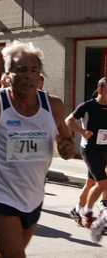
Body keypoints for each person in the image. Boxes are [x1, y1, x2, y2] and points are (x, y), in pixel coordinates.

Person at [0, 41, 74, 257]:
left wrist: (65, 147)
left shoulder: (54, 105)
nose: (29, 76)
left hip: (34, 196)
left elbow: (65, 139)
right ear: (8, 75)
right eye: (22, 70)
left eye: (34, 70)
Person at [66, 77, 107, 228]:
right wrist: (83, 131)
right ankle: (88, 212)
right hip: (89, 149)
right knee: (102, 183)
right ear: (99, 91)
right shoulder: (87, 106)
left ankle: (76, 210)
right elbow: (69, 121)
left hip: (105, 149)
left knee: (90, 183)